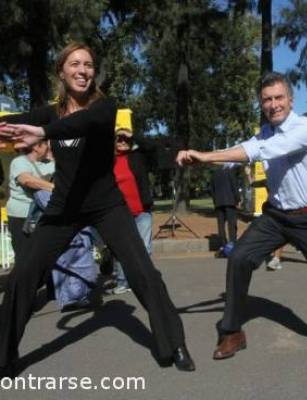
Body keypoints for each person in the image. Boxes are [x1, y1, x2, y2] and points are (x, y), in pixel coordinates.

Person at [0, 42, 194, 377]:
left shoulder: (104, 107)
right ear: (61, 71)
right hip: (64, 206)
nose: (82, 70)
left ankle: (173, 343)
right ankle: (3, 357)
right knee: (22, 275)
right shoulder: (50, 112)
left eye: (88, 64)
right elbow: (16, 122)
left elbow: (82, 124)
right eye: (74, 64)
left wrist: (43, 131)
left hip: (106, 204)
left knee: (142, 271)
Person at [177, 72, 307, 360]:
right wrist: (204, 159)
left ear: (290, 100)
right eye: (267, 99)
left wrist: (206, 155)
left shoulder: (305, 129)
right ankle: (232, 331)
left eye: (279, 98)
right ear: (261, 103)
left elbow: (263, 151)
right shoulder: (264, 132)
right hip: (276, 217)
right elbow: (249, 149)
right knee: (239, 258)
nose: (273, 104)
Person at [107, 123, 155, 295]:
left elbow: (151, 147)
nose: (121, 142)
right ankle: (122, 281)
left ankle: (147, 280)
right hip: (119, 213)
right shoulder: (107, 161)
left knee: (144, 248)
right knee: (121, 248)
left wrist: (130, 133)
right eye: (118, 140)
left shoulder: (137, 156)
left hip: (142, 211)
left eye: (125, 140)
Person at [6, 140, 54, 266]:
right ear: (36, 147)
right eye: (45, 144)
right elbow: (27, 180)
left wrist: (52, 155)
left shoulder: (47, 163)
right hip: (22, 216)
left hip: (42, 214)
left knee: (45, 254)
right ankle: (20, 285)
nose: (48, 146)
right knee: (25, 256)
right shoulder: (20, 162)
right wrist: (54, 188)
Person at [211, 165, 239, 258]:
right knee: (232, 225)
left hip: (219, 202)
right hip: (230, 201)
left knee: (221, 226)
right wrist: (237, 199)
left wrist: (215, 201)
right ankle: (233, 244)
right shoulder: (230, 171)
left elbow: (212, 189)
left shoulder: (214, 173)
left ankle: (223, 245)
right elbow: (234, 186)